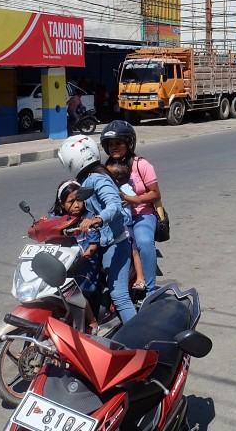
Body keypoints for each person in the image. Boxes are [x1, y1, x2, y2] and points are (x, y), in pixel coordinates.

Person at [58, 135, 136, 323]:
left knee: (119, 296)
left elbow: (114, 205)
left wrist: (98, 220)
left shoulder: (98, 179)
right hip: (100, 242)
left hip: (115, 244)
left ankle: (141, 341)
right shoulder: (85, 180)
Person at [100, 120, 163, 293]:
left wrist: (132, 199)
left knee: (143, 242)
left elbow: (155, 194)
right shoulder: (105, 169)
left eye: (118, 143)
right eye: (111, 144)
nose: (114, 147)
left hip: (143, 214)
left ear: (129, 143)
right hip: (118, 217)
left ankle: (149, 289)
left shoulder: (141, 164)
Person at [50, 179, 102, 332]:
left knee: (73, 288)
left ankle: (92, 321)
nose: (77, 205)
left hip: (86, 266)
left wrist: (79, 261)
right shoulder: (57, 220)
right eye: (71, 201)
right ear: (61, 204)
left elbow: (92, 246)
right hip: (64, 265)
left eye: (80, 200)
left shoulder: (88, 218)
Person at [106, 160, 147, 293]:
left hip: (126, 226)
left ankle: (140, 277)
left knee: (134, 251)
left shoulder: (124, 189)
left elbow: (135, 198)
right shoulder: (110, 190)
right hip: (113, 226)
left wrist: (125, 198)